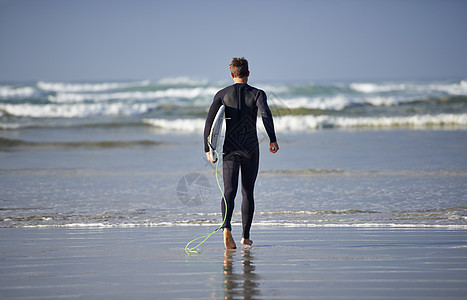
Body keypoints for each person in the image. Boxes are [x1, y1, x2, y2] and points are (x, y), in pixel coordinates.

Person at [204, 57, 279, 249]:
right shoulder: (257, 94)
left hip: (230, 148)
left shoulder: (222, 94)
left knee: (229, 190)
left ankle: (226, 228)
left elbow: (210, 123)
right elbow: (266, 115)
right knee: (248, 192)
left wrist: (208, 148)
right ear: (248, 73)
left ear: (231, 74)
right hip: (250, 147)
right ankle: (245, 236)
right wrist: (272, 139)